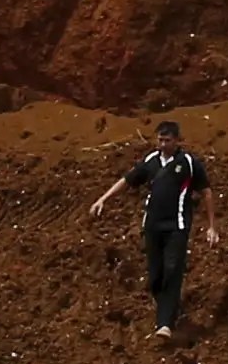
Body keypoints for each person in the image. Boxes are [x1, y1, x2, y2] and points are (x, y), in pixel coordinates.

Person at [87, 112, 218, 339]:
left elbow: (206, 192)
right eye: (160, 140)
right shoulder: (151, 161)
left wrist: (211, 226)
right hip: (152, 226)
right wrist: (103, 199)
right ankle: (167, 311)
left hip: (176, 226)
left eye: (167, 141)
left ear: (177, 140)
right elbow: (127, 180)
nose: (163, 144)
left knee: (173, 269)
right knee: (156, 274)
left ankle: (164, 324)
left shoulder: (188, 163)